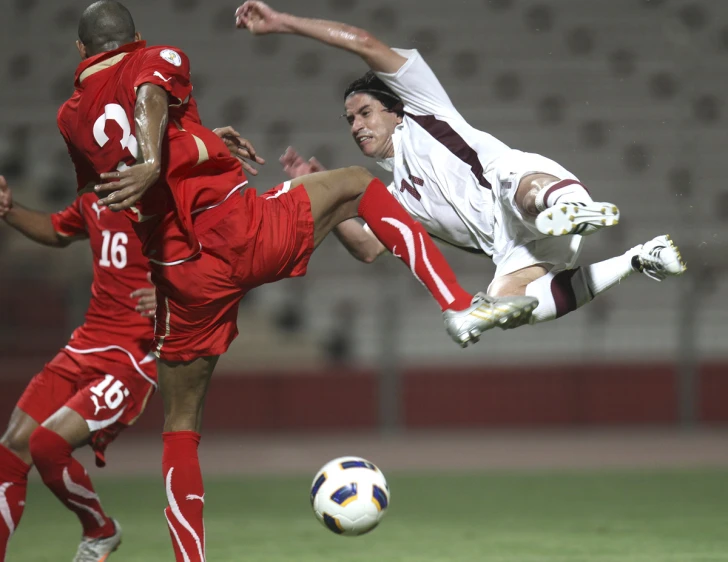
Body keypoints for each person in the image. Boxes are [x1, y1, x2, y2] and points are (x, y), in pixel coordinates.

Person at [54, 2, 538, 560]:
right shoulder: (158, 58)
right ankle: (455, 304)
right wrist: (154, 157)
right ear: (136, 38)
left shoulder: (70, 118)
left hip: (183, 276)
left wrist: (198, 145)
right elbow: (148, 99)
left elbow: (105, 185)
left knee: (181, 425)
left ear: (80, 52)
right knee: (357, 182)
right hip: (241, 231)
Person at [236, 1, 687, 325]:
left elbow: (365, 42)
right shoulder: (393, 197)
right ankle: (635, 259)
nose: (355, 125)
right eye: (349, 119)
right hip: (515, 248)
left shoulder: (422, 106)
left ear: (395, 110)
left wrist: (284, 23)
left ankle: (562, 206)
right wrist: (329, 201)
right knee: (506, 308)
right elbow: (368, 248)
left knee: (521, 191)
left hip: (515, 182)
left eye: (365, 112)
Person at [0, 126, 259, 562]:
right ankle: (100, 530)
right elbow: (56, 230)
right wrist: (9, 210)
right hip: (84, 345)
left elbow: (229, 259)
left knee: (47, 444)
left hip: (133, 359)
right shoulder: (95, 196)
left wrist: (170, 296)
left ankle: (100, 531)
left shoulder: (171, 197)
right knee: (12, 447)